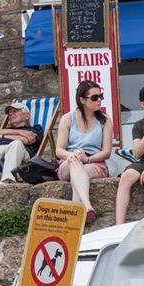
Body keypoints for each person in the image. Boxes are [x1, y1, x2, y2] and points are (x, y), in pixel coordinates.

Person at [56, 80, 113, 223]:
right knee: (75, 163)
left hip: (94, 162)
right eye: (94, 97)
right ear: (82, 99)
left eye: (101, 96)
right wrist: (74, 155)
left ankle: (76, 213)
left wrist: (87, 159)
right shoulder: (67, 118)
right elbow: (59, 150)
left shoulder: (105, 120)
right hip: (69, 161)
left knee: (79, 176)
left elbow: (106, 152)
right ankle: (87, 206)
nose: (99, 100)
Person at [115, 84, 144, 225]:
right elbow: (137, 153)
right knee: (126, 177)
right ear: (143, 104)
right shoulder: (139, 125)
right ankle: (118, 226)